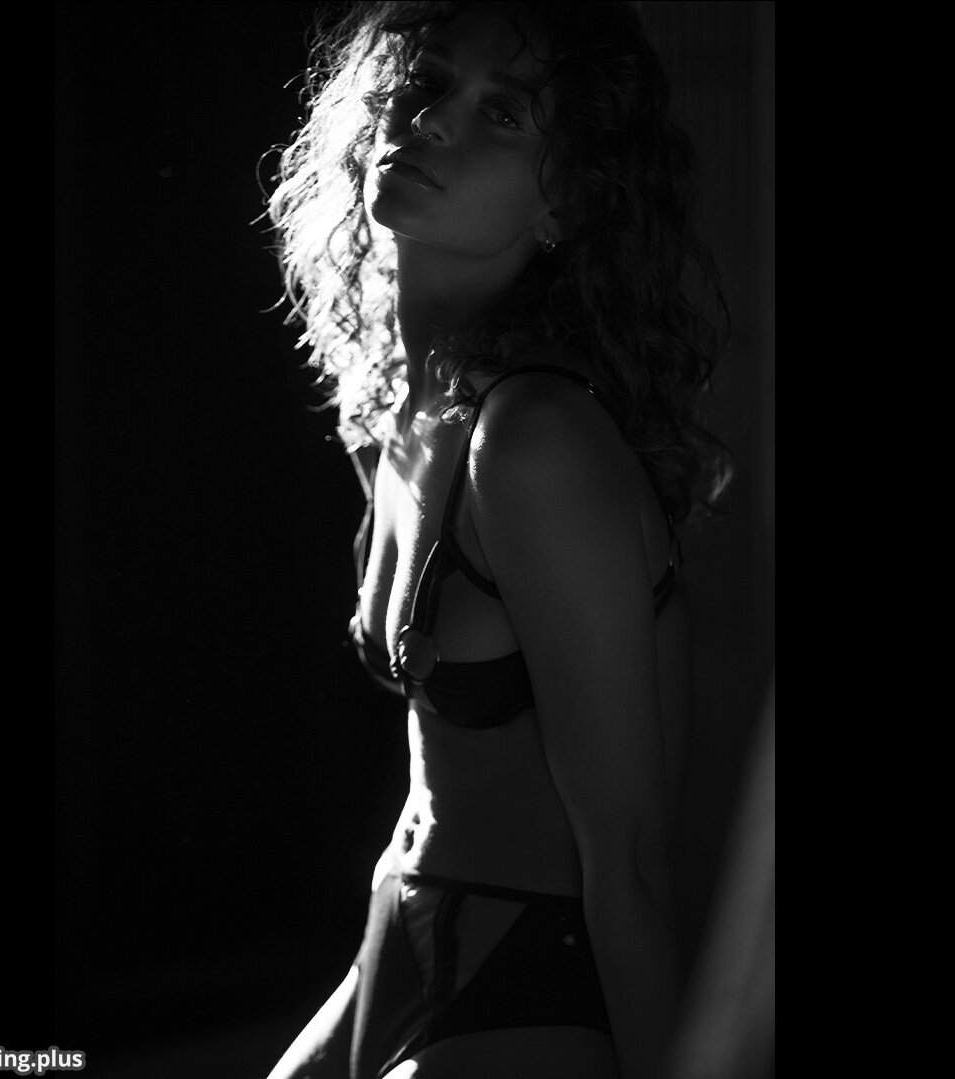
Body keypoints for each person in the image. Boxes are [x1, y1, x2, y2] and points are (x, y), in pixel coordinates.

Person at [262, 3, 730, 1077]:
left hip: (533, 971)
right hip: (400, 933)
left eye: (502, 113)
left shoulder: (532, 442)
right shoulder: (396, 407)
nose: (430, 121)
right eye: (427, 82)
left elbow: (631, 856)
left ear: (568, 199)